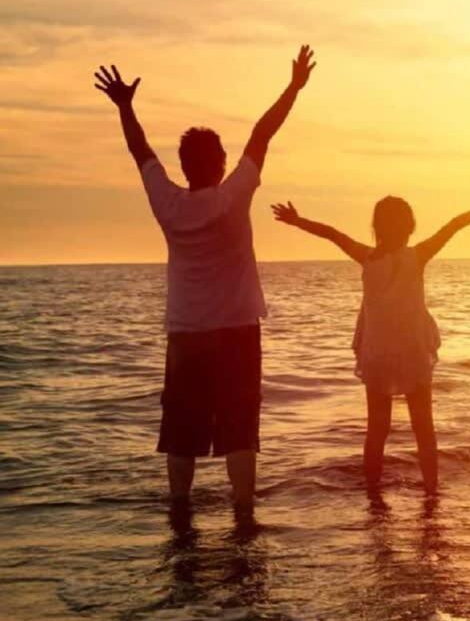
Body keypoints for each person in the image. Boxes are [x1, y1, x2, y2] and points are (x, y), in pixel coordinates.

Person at [93, 45, 317, 514]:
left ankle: (180, 513)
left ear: (184, 166)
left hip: (187, 332)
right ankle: (243, 515)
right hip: (237, 329)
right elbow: (262, 132)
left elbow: (140, 152)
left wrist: (125, 107)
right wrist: (294, 87)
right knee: (240, 427)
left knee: (182, 430)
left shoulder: (167, 203)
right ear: (219, 163)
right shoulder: (233, 197)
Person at [270, 181, 470, 494]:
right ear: (410, 227)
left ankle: (374, 494)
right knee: (423, 426)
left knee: (377, 429)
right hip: (411, 351)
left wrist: (297, 220)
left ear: (376, 227)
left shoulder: (366, 256)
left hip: (378, 354)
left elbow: (331, 233)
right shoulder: (418, 255)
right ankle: (431, 492)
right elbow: (453, 226)